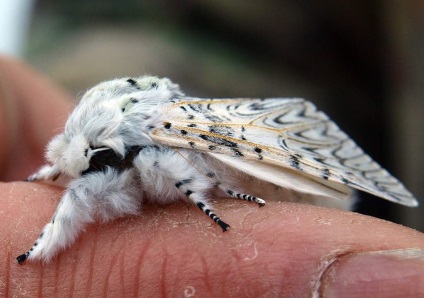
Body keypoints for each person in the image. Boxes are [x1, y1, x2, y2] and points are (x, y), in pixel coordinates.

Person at [1, 56, 423, 297]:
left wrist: (203, 201)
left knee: (150, 161)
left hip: (276, 172)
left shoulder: (148, 137)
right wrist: (49, 173)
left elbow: (160, 164)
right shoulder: (97, 138)